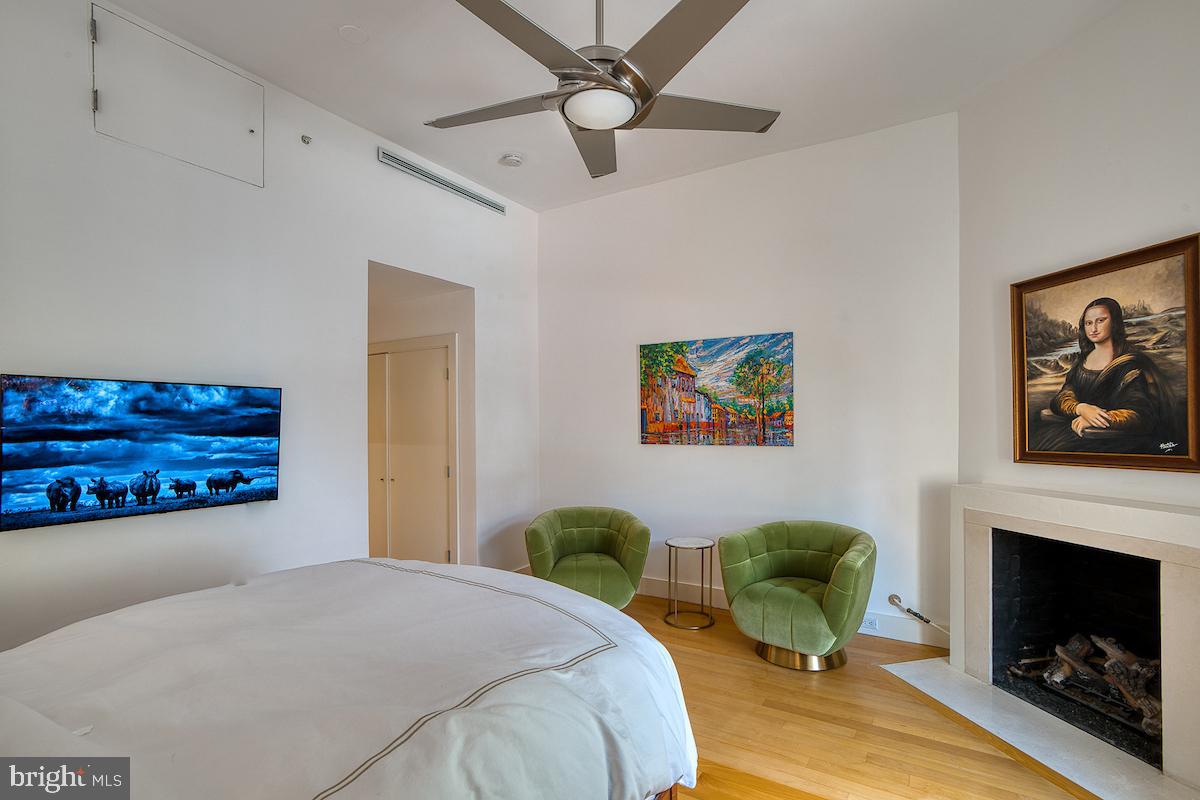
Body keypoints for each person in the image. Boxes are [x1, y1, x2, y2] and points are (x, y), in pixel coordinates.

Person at [1032, 297, 1181, 454]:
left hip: (1122, 440)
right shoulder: (1082, 362)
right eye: (1088, 323)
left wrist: (1098, 419)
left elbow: (1140, 414)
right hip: (1083, 433)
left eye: (1100, 320)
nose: (1093, 328)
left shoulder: (1130, 363)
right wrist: (1081, 408)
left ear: (1114, 322)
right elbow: (1061, 398)